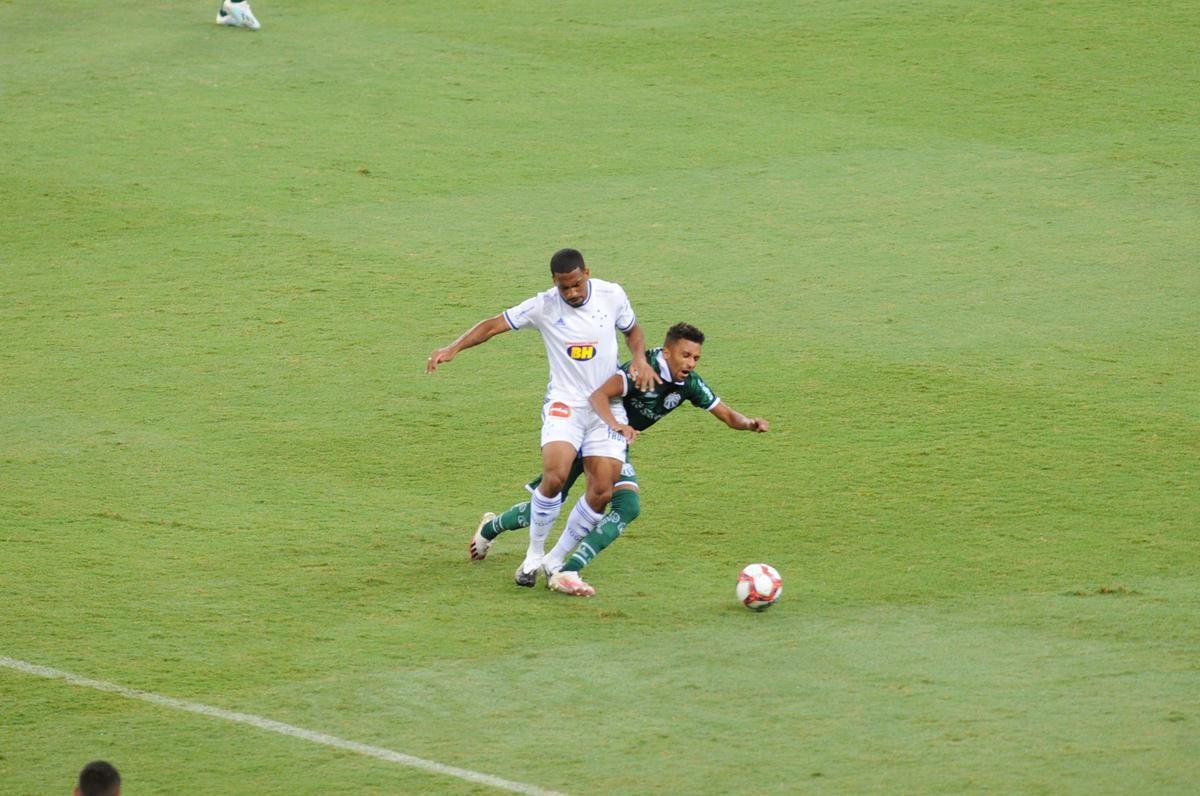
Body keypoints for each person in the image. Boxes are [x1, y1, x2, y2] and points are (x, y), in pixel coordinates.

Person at [470, 322, 768, 596]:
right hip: (590, 431)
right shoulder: (641, 371)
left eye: (696, 358)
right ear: (667, 352)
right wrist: (615, 425)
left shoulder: (688, 385)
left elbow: (727, 414)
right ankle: (492, 530)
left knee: (625, 505)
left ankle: (563, 567)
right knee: (551, 503)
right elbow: (599, 395)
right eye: (685, 355)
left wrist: (749, 423)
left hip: (613, 443)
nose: (690, 363)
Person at [426, 248, 659, 592]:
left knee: (601, 489)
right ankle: (533, 555)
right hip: (564, 404)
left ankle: (555, 559)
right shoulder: (544, 306)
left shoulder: (612, 295)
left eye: (577, 284)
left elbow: (632, 329)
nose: (573, 293)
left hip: (606, 407)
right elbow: (494, 324)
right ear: (555, 283)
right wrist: (453, 348)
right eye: (565, 288)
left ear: (587, 273)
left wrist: (638, 357)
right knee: (555, 474)